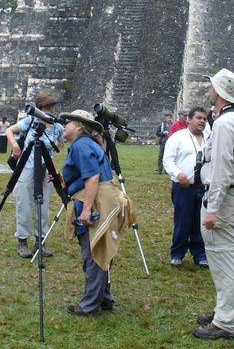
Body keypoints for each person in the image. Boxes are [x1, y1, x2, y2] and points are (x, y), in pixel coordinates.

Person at [58, 109, 134, 316]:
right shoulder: (87, 144)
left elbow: (92, 177)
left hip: (95, 201)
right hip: (102, 198)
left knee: (93, 253)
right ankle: (104, 298)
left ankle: (90, 304)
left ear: (80, 127)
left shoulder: (81, 145)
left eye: (69, 122)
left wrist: (87, 209)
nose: (65, 124)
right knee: (100, 250)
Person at [195, 69, 234, 341]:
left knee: (225, 260)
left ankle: (226, 322)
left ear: (218, 91)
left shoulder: (226, 123)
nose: (209, 89)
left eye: (212, 86)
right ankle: (222, 311)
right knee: (224, 259)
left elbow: (221, 169)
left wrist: (213, 208)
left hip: (225, 200)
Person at [6, 93, 64, 258]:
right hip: (27, 166)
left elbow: (61, 144)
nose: (52, 110)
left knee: (43, 206)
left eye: (53, 106)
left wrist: (56, 145)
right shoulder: (30, 122)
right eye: (48, 107)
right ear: (40, 108)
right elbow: (10, 130)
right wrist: (15, 145)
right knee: (23, 203)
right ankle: (22, 240)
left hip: (46, 168)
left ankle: (41, 240)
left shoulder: (57, 127)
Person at [162, 107, 209, 268]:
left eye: (204, 118)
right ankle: (177, 253)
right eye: (198, 118)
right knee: (183, 221)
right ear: (189, 119)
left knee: (200, 222)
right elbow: (168, 160)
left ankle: (200, 254)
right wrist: (178, 174)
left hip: (203, 187)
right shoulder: (178, 137)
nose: (202, 121)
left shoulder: (209, 138)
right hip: (183, 187)